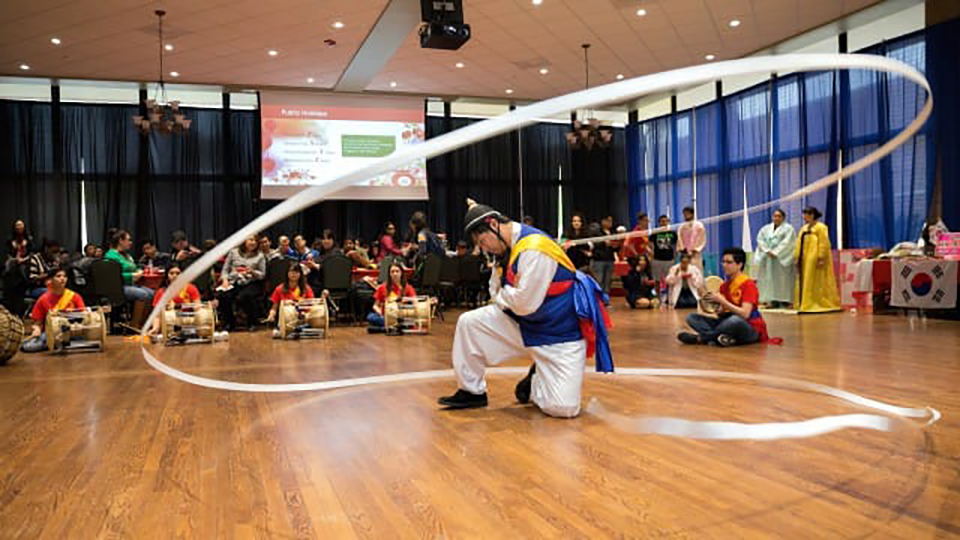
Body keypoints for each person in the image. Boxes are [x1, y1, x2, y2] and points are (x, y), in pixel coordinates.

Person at [437, 200, 612, 418]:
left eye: (483, 240)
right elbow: (497, 292)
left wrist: (508, 295)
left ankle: (536, 381)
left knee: (563, 409)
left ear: (494, 225)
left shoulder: (535, 248)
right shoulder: (505, 251)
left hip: (558, 334)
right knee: (469, 323)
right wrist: (510, 293)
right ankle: (471, 391)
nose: (485, 248)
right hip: (525, 324)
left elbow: (524, 304)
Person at [678, 247, 770, 347]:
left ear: (739, 265)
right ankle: (723, 338)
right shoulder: (724, 286)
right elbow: (721, 312)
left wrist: (723, 302)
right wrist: (711, 303)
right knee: (692, 318)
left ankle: (701, 338)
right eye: (723, 262)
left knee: (734, 321)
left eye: (729, 262)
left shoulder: (748, 285)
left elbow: (745, 314)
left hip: (749, 326)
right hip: (727, 322)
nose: (724, 265)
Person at [21, 268, 86, 353]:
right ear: (50, 280)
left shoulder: (74, 297)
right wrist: (37, 329)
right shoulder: (43, 299)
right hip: (52, 332)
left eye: (65, 276)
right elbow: (38, 323)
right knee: (28, 346)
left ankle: (57, 344)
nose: (62, 279)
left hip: (72, 331)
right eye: (58, 276)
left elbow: (84, 316)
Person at [794, 206, 841, 313]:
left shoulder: (821, 227)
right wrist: (797, 256)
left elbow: (824, 242)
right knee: (806, 278)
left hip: (814, 256)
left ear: (812, 215)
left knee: (816, 279)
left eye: (807, 214)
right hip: (805, 256)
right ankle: (805, 301)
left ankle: (817, 301)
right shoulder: (804, 228)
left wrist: (821, 256)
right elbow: (798, 242)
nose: (805, 217)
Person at [217, 235, 266, 331]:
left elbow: (262, 274)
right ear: (244, 241)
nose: (253, 243)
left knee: (245, 296)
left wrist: (252, 271)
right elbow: (225, 270)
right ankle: (229, 322)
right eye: (251, 240)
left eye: (256, 241)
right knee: (223, 296)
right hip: (234, 281)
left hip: (251, 282)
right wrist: (225, 280)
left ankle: (252, 322)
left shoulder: (260, 256)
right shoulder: (233, 252)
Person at [755, 209, 796, 308]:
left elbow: (787, 243)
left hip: (780, 259)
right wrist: (767, 250)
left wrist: (776, 252)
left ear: (783, 218)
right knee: (768, 279)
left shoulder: (788, 229)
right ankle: (771, 300)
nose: (776, 218)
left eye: (779, 216)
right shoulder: (765, 229)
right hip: (768, 257)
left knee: (782, 280)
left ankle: (784, 300)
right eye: (775, 216)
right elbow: (760, 240)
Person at [147, 264, 202, 336]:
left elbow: (198, 307)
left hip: (189, 324)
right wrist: (155, 327)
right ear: (167, 276)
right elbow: (156, 315)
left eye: (178, 273)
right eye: (171, 273)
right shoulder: (161, 292)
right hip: (169, 325)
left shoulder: (191, 288)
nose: (175, 275)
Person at [104, 230, 155, 304]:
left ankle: (148, 315)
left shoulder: (126, 255)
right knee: (144, 295)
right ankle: (137, 316)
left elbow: (134, 267)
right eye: (129, 240)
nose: (131, 243)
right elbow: (113, 277)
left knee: (153, 293)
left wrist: (139, 270)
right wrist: (132, 276)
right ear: (121, 241)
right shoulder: (110, 256)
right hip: (119, 287)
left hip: (131, 284)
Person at [265, 261, 318, 330]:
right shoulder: (279, 288)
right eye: (291, 272)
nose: (294, 274)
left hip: (304, 319)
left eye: (296, 272)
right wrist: (271, 315)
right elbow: (274, 307)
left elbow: (312, 305)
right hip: (286, 320)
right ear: (287, 273)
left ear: (300, 274)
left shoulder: (306, 288)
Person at [366, 261, 418, 330]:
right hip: (385, 316)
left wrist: (407, 300)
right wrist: (381, 314)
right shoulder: (382, 287)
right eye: (392, 272)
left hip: (400, 316)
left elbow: (416, 302)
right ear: (389, 274)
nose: (395, 274)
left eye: (397, 271)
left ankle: (386, 328)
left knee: (411, 319)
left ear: (401, 273)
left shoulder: (407, 287)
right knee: (370, 317)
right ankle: (395, 327)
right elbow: (375, 306)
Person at [590, 215, 616, 297]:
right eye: (608, 221)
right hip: (599, 260)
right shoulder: (596, 232)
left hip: (610, 259)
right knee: (599, 280)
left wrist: (616, 245)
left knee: (608, 281)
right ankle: (598, 298)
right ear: (603, 221)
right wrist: (603, 242)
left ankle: (606, 298)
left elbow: (616, 246)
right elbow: (593, 245)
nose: (610, 223)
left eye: (611, 221)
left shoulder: (613, 232)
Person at [650, 215, 678, 283]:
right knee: (657, 280)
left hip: (669, 259)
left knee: (669, 280)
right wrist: (651, 256)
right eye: (662, 221)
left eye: (666, 221)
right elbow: (650, 245)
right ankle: (658, 293)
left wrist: (675, 256)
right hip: (657, 259)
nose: (664, 223)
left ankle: (669, 293)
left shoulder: (673, 233)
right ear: (659, 222)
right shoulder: (655, 233)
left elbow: (676, 245)